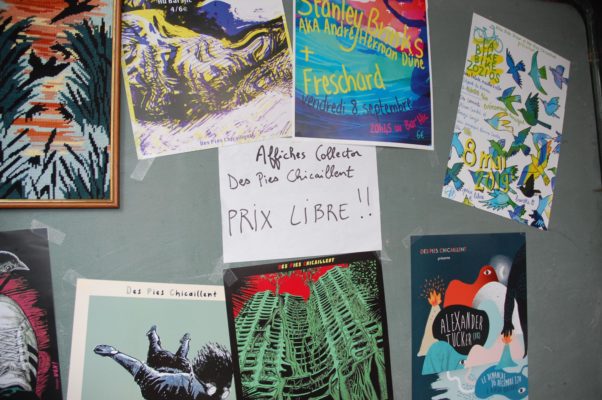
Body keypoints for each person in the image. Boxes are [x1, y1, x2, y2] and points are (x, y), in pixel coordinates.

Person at [94, 325, 232, 400]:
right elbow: (142, 372)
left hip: (176, 370)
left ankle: (183, 340)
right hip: (160, 366)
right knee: (157, 349)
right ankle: (153, 334)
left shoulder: (202, 384)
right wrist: (114, 353)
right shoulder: (173, 384)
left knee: (181, 357)